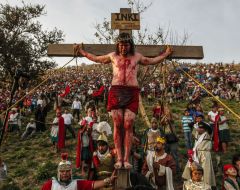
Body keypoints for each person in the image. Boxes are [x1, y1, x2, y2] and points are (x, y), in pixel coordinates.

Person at [75, 32, 173, 169]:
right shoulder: (112, 56)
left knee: (128, 123)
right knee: (118, 123)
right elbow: (97, 59)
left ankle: (126, 159)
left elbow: (150, 61)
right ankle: (119, 158)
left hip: (132, 91)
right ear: (118, 45)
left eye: (126, 45)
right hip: (116, 91)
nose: (123, 48)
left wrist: (166, 54)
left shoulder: (137, 56)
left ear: (130, 45)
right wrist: (82, 52)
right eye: (121, 45)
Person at [41, 153, 116, 190]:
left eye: (67, 171)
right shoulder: (50, 185)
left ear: (71, 172)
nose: (65, 173)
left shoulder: (76, 183)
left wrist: (109, 180)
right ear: (58, 172)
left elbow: (93, 185)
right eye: (62, 171)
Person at [182, 121, 216, 187]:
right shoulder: (197, 133)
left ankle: (205, 184)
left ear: (205, 129)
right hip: (196, 153)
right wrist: (193, 124)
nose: (199, 129)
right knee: (193, 168)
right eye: (199, 128)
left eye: (201, 128)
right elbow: (191, 126)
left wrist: (203, 124)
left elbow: (210, 129)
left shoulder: (208, 134)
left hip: (205, 154)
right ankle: (193, 182)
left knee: (205, 169)